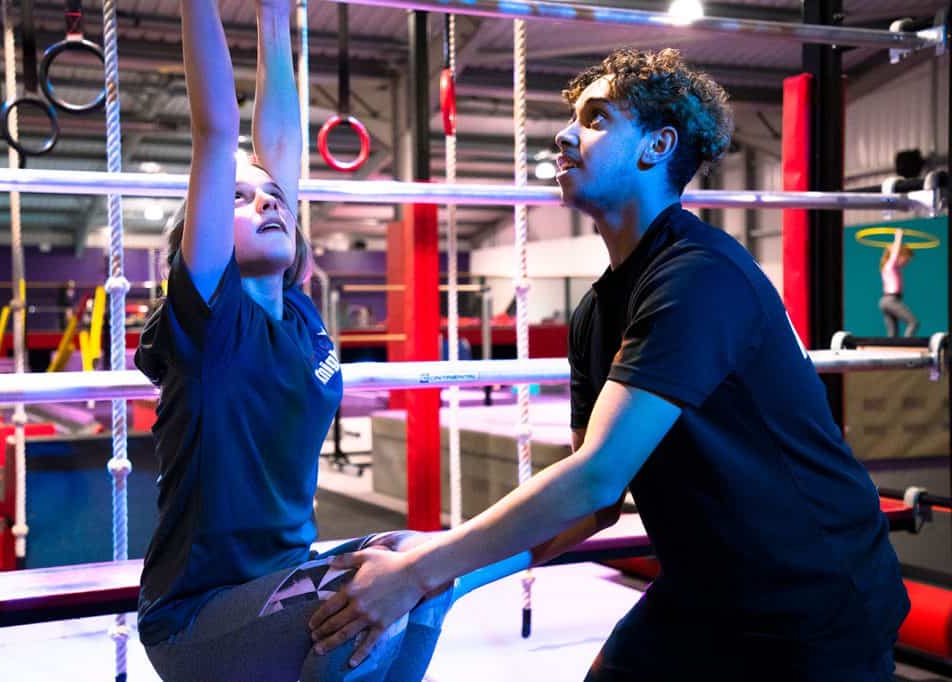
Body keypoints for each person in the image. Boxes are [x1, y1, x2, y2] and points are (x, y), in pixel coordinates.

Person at [309, 49, 909, 681]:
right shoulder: (596, 312)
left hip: (810, 604)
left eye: (595, 119)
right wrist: (442, 575)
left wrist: (419, 570)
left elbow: (597, 477)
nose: (565, 134)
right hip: (702, 593)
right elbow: (591, 507)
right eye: (572, 117)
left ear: (657, 145)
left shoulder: (698, 276)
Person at [132, 1, 451, 679]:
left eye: (273, 196)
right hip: (198, 616)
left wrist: (275, 21)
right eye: (240, 200)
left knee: (420, 563)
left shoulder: (300, 315)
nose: (268, 201)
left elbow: (281, 159)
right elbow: (217, 135)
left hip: (281, 584)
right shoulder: (212, 324)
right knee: (359, 602)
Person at [879, 228, 918, 337]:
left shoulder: (893, 268)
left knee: (892, 333)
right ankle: (908, 345)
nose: (907, 261)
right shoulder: (891, 265)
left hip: (887, 301)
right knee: (913, 322)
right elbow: (895, 253)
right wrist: (898, 236)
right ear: (900, 256)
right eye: (906, 259)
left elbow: (895, 253)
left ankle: (891, 351)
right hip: (890, 300)